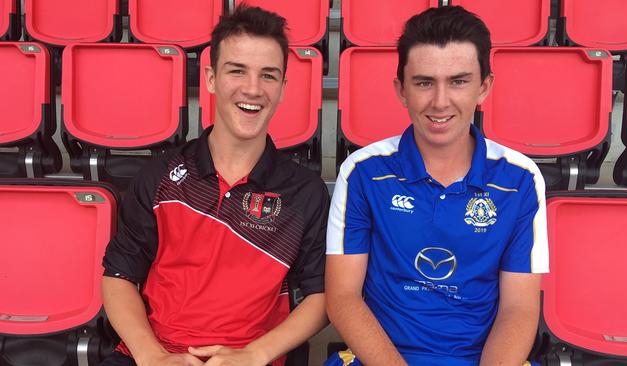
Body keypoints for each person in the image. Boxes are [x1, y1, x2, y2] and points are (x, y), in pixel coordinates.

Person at [100, 5, 330, 366]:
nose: (253, 89)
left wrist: (255, 355)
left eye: (268, 76)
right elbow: (118, 276)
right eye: (237, 71)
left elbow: (322, 298)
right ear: (210, 78)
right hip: (155, 353)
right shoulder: (160, 176)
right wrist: (152, 357)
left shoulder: (306, 192)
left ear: (284, 88)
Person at [325, 6, 549, 366]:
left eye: (458, 81)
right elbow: (343, 298)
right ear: (401, 90)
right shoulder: (363, 172)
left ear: (484, 86)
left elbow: (519, 308)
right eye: (424, 82)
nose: (440, 101)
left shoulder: (520, 179)